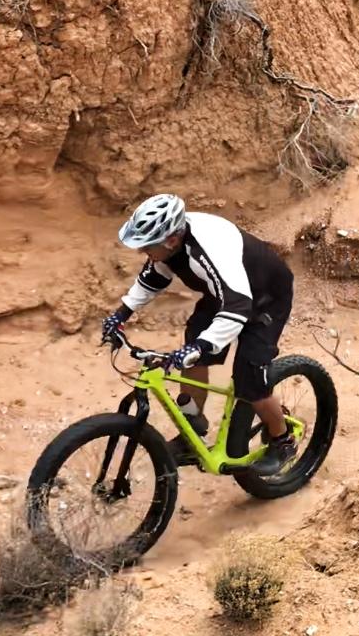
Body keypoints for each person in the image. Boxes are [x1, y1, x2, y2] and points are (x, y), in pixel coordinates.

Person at [101, 193, 297, 476]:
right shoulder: (170, 246)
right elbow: (152, 279)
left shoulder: (207, 250)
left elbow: (238, 308)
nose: (143, 252)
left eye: (147, 246)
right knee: (193, 350)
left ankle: (282, 440)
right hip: (226, 295)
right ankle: (192, 428)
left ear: (170, 239)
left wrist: (202, 346)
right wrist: (121, 314)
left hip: (265, 297)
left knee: (250, 377)